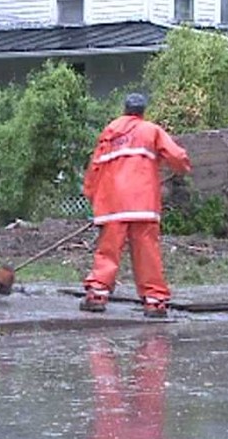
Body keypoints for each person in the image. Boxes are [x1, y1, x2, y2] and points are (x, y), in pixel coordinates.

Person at [80, 92, 191, 318]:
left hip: (112, 205)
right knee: (147, 252)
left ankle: (97, 295)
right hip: (143, 204)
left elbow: (95, 168)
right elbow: (177, 157)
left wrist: (93, 196)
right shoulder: (151, 130)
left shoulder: (109, 132)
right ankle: (154, 301)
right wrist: (183, 169)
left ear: (125, 109)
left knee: (108, 252)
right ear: (142, 112)